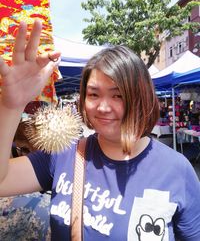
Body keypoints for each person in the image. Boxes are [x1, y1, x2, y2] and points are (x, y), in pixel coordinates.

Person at [0, 20, 200, 241]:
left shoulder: (177, 170)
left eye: (118, 95)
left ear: (142, 96)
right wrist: (11, 106)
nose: (103, 107)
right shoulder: (64, 154)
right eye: (94, 94)